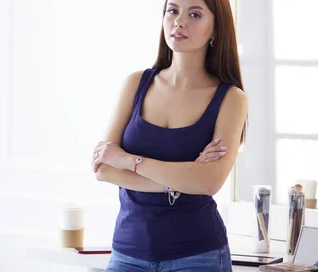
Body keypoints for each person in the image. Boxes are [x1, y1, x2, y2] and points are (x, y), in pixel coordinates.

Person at [91, 0, 247, 271]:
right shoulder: (135, 84)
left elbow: (209, 182)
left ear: (216, 29)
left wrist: (129, 161)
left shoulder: (231, 98)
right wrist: (181, 181)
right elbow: (103, 167)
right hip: (127, 253)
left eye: (194, 14)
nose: (179, 21)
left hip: (198, 255)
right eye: (172, 10)